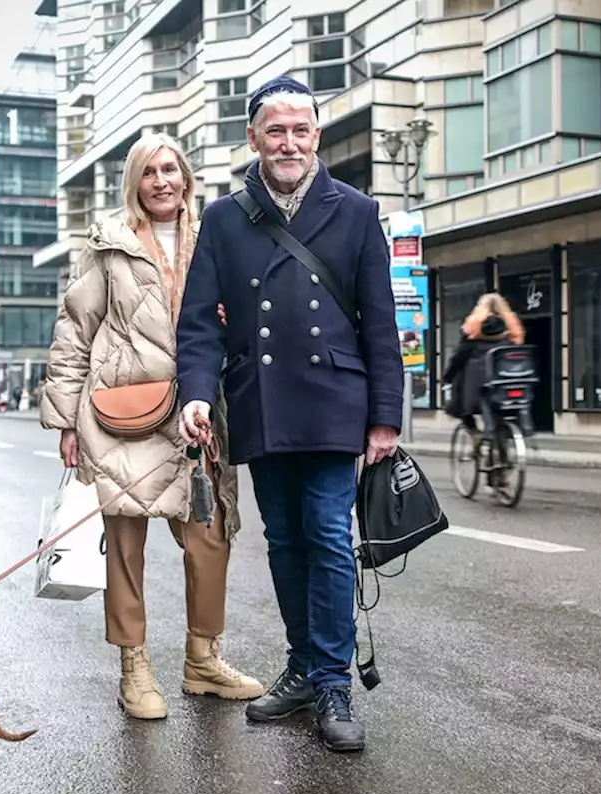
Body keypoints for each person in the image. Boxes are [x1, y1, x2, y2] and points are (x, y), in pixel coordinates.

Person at [175, 76, 403, 752]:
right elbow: (197, 325)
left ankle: (333, 678)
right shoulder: (223, 216)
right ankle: (303, 663)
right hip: (261, 400)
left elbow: (381, 323)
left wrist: (384, 416)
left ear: (316, 137)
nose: (289, 142)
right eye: (276, 130)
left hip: (336, 399)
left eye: (300, 130)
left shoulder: (356, 210)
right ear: (253, 138)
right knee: (283, 540)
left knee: (329, 533)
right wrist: (195, 391)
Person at [40, 132, 264, 721]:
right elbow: (73, 333)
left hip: (198, 410)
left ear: (187, 177)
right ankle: (134, 668)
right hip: (123, 413)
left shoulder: (220, 234)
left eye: (171, 169)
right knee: (125, 548)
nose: (162, 181)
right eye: (149, 172)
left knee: (210, 537)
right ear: (134, 183)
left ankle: (202, 660)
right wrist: (65, 420)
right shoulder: (107, 246)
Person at [441, 292, 525, 443]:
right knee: (498, 410)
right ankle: (503, 449)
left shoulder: (473, 328)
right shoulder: (511, 328)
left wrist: (447, 377)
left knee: (460, 386)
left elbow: (457, 358)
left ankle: (474, 431)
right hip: (505, 382)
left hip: (477, 387)